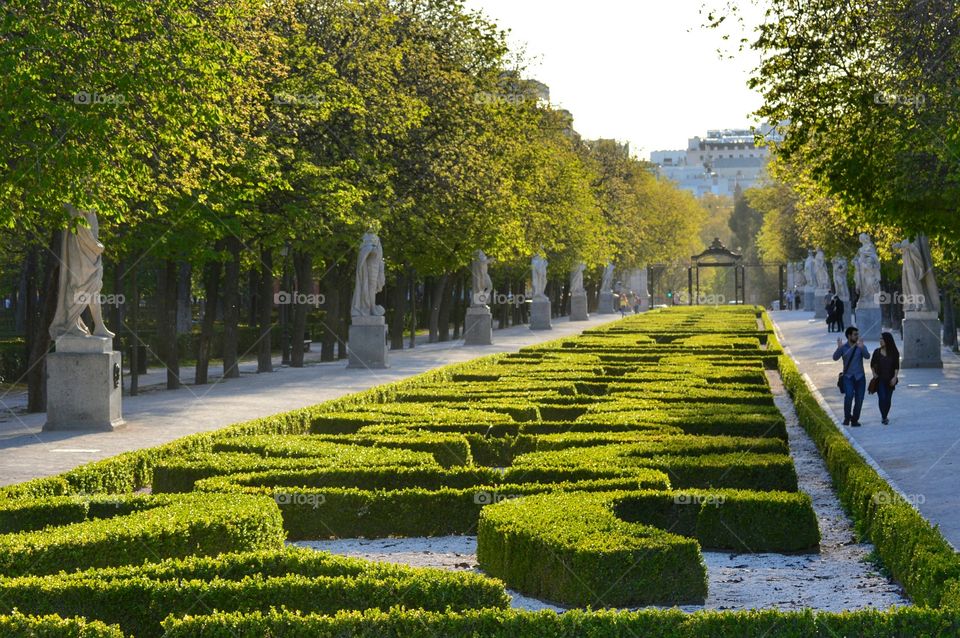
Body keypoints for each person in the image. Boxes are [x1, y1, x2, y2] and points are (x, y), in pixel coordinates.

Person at [833, 326, 870, 426]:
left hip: (860, 377)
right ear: (849, 336)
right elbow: (835, 358)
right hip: (848, 377)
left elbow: (867, 356)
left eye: (857, 334)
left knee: (859, 399)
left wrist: (862, 348)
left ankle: (855, 420)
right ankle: (846, 417)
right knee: (849, 396)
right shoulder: (843, 347)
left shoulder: (860, 346)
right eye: (855, 334)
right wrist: (839, 348)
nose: (857, 336)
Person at [870, 332, 900, 425]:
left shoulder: (894, 353)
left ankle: (885, 415)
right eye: (880, 339)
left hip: (890, 379)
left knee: (888, 399)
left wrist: (895, 377)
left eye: (882, 339)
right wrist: (874, 373)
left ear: (887, 340)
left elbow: (896, 366)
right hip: (880, 380)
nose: (880, 341)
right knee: (882, 398)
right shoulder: (877, 352)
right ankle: (884, 417)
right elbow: (872, 364)